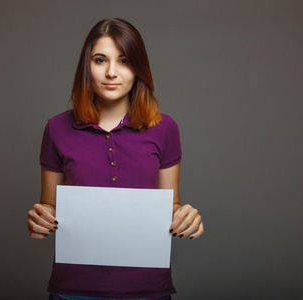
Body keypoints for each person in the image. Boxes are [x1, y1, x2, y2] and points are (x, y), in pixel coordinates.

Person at [27, 18, 204, 300]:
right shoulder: (56, 128)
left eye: (123, 61)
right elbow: (49, 206)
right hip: (74, 288)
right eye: (100, 60)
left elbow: (171, 206)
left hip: (147, 288)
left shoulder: (165, 128)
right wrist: (39, 220)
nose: (111, 72)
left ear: (138, 68)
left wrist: (187, 217)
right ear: (87, 67)